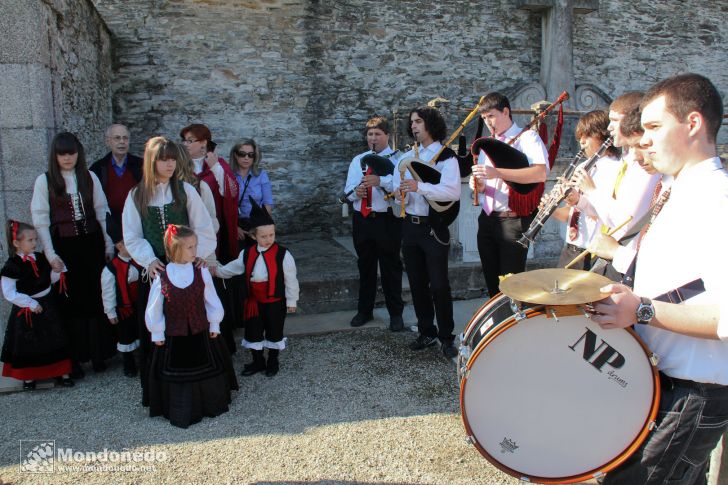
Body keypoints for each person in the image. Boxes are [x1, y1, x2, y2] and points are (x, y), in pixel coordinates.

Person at [592, 73, 728, 484]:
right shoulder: (678, 190)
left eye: (654, 127)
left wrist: (642, 309)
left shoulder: (716, 199)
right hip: (665, 380)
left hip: (694, 390)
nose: (643, 139)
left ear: (692, 123)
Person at [122, 136, 217, 405]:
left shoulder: (185, 190)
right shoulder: (137, 195)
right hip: (156, 270)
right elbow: (132, 235)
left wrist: (198, 256)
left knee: (193, 322)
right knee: (159, 325)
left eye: (173, 159)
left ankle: (200, 389)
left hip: (186, 267)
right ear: (152, 161)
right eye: (164, 159)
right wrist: (149, 261)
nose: (170, 164)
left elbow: (203, 226)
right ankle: (164, 394)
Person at [31, 132, 116, 377]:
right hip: (64, 246)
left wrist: (108, 244)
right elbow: (41, 220)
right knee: (69, 303)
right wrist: (50, 253)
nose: (67, 158)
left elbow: (102, 212)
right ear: (55, 156)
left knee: (95, 297)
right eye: (62, 154)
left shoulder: (89, 177)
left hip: (91, 243)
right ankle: (75, 359)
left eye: (71, 153)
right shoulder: (44, 181)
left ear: (78, 153)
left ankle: (99, 354)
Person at [145, 224, 238, 428]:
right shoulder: (162, 275)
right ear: (174, 248)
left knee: (208, 368)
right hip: (174, 335)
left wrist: (214, 323)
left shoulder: (201, 271)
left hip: (201, 331)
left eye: (196, 246)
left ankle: (210, 405)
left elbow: (211, 299)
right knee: (177, 374)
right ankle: (181, 409)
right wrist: (157, 332)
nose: (195, 251)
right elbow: (154, 306)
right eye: (189, 247)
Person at [393, 106, 460, 358]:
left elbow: (452, 192)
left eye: (418, 121)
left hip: (433, 228)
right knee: (417, 284)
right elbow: (398, 189)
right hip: (410, 225)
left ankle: (446, 337)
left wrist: (419, 187)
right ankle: (426, 331)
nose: (413, 126)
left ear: (430, 124)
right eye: (412, 122)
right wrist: (399, 192)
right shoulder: (407, 156)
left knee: (439, 285)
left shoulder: (446, 157)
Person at [471, 92, 549, 297]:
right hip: (488, 218)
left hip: (513, 220)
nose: (488, 122)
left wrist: (497, 172)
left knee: (511, 285)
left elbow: (540, 173)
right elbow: (487, 182)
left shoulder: (527, 137)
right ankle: (497, 325)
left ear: (506, 111)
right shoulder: (487, 143)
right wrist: (478, 186)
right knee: (491, 282)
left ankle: (513, 325)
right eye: (484, 118)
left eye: (491, 116)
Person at [213, 198, 299, 377]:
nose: (268, 239)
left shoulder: (283, 254)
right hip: (253, 302)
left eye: (271, 235)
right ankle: (258, 361)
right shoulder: (247, 253)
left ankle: (273, 361)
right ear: (253, 236)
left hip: (275, 301)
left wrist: (292, 300)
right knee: (253, 331)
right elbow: (234, 267)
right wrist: (218, 271)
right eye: (263, 236)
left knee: (274, 331)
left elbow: (291, 279)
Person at [344, 116, 404, 331]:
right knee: (365, 266)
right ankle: (364, 311)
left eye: (378, 134)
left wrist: (381, 181)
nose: (373, 138)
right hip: (363, 219)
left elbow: (399, 188)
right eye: (370, 134)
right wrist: (356, 192)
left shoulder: (398, 159)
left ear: (387, 136)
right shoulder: (358, 160)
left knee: (391, 268)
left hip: (387, 220)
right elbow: (347, 191)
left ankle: (396, 314)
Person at [1, 220, 74, 389]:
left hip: (48, 306)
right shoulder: (12, 266)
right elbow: (9, 293)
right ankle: (29, 378)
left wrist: (57, 271)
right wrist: (30, 303)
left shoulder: (41, 258)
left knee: (55, 339)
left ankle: (62, 373)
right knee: (29, 344)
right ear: (16, 243)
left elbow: (48, 280)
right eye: (30, 240)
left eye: (35, 239)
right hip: (27, 309)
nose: (35, 243)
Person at [551, 110, 621, 269]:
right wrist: (550, 208)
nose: (581, 142)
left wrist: (578, 199)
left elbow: (609, 216)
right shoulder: (583, 166)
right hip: (570, 248)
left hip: (593, 253)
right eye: (580, 137)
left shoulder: (615, 168)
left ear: (603, 135)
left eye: (587, 135)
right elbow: (569, 215)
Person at [180, 124, 239, 263]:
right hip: (189, 222)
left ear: (203, 143)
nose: (185, 144)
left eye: (190, 140)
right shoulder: (180, 167)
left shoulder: (218, 164)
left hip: (215, 224)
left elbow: (231, 192)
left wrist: (215, 167)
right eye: (184, 140)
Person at [100, 217, 141, 378]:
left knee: (140, 331)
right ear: (119, 246)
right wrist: (110, 312)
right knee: (126, 336)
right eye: (127, 243)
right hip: (123, 308)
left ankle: (144, 359)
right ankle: (128, 362)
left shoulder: (139, 261)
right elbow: (108, 292)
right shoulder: (111, 269)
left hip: (139, 304)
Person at [89, 124, 143, 226]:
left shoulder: (141, 165)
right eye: (117, 138)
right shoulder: (98, 168)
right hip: (109, 224)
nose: (122, 142)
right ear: (108, 142)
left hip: (137, 221)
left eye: (125, 138)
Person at [230, 139, 273, 248]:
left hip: (257, 221)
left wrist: (260, 226)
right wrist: (234, 227)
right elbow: (224, 205)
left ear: (255, 157)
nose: (246, 158)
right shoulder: (228, 175)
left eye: (250, 155)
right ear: (235, 155)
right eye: (242, 154)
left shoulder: (261, 175)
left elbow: (267, 203)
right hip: (236, 223)